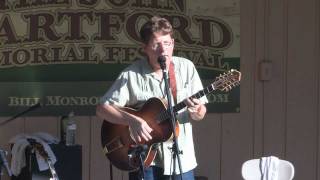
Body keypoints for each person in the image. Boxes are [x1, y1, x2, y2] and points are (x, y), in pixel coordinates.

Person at [96, 16, 208, 180]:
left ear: (173, 44)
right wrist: (133, 121)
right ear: (145, 48)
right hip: (146, 161)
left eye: (167, 43)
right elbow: (102, 109)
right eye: (156, 45)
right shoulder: (131, 75)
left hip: (182, 159)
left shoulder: (186, 68)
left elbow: (201, 112)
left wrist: (197, 111)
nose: (163, 50)